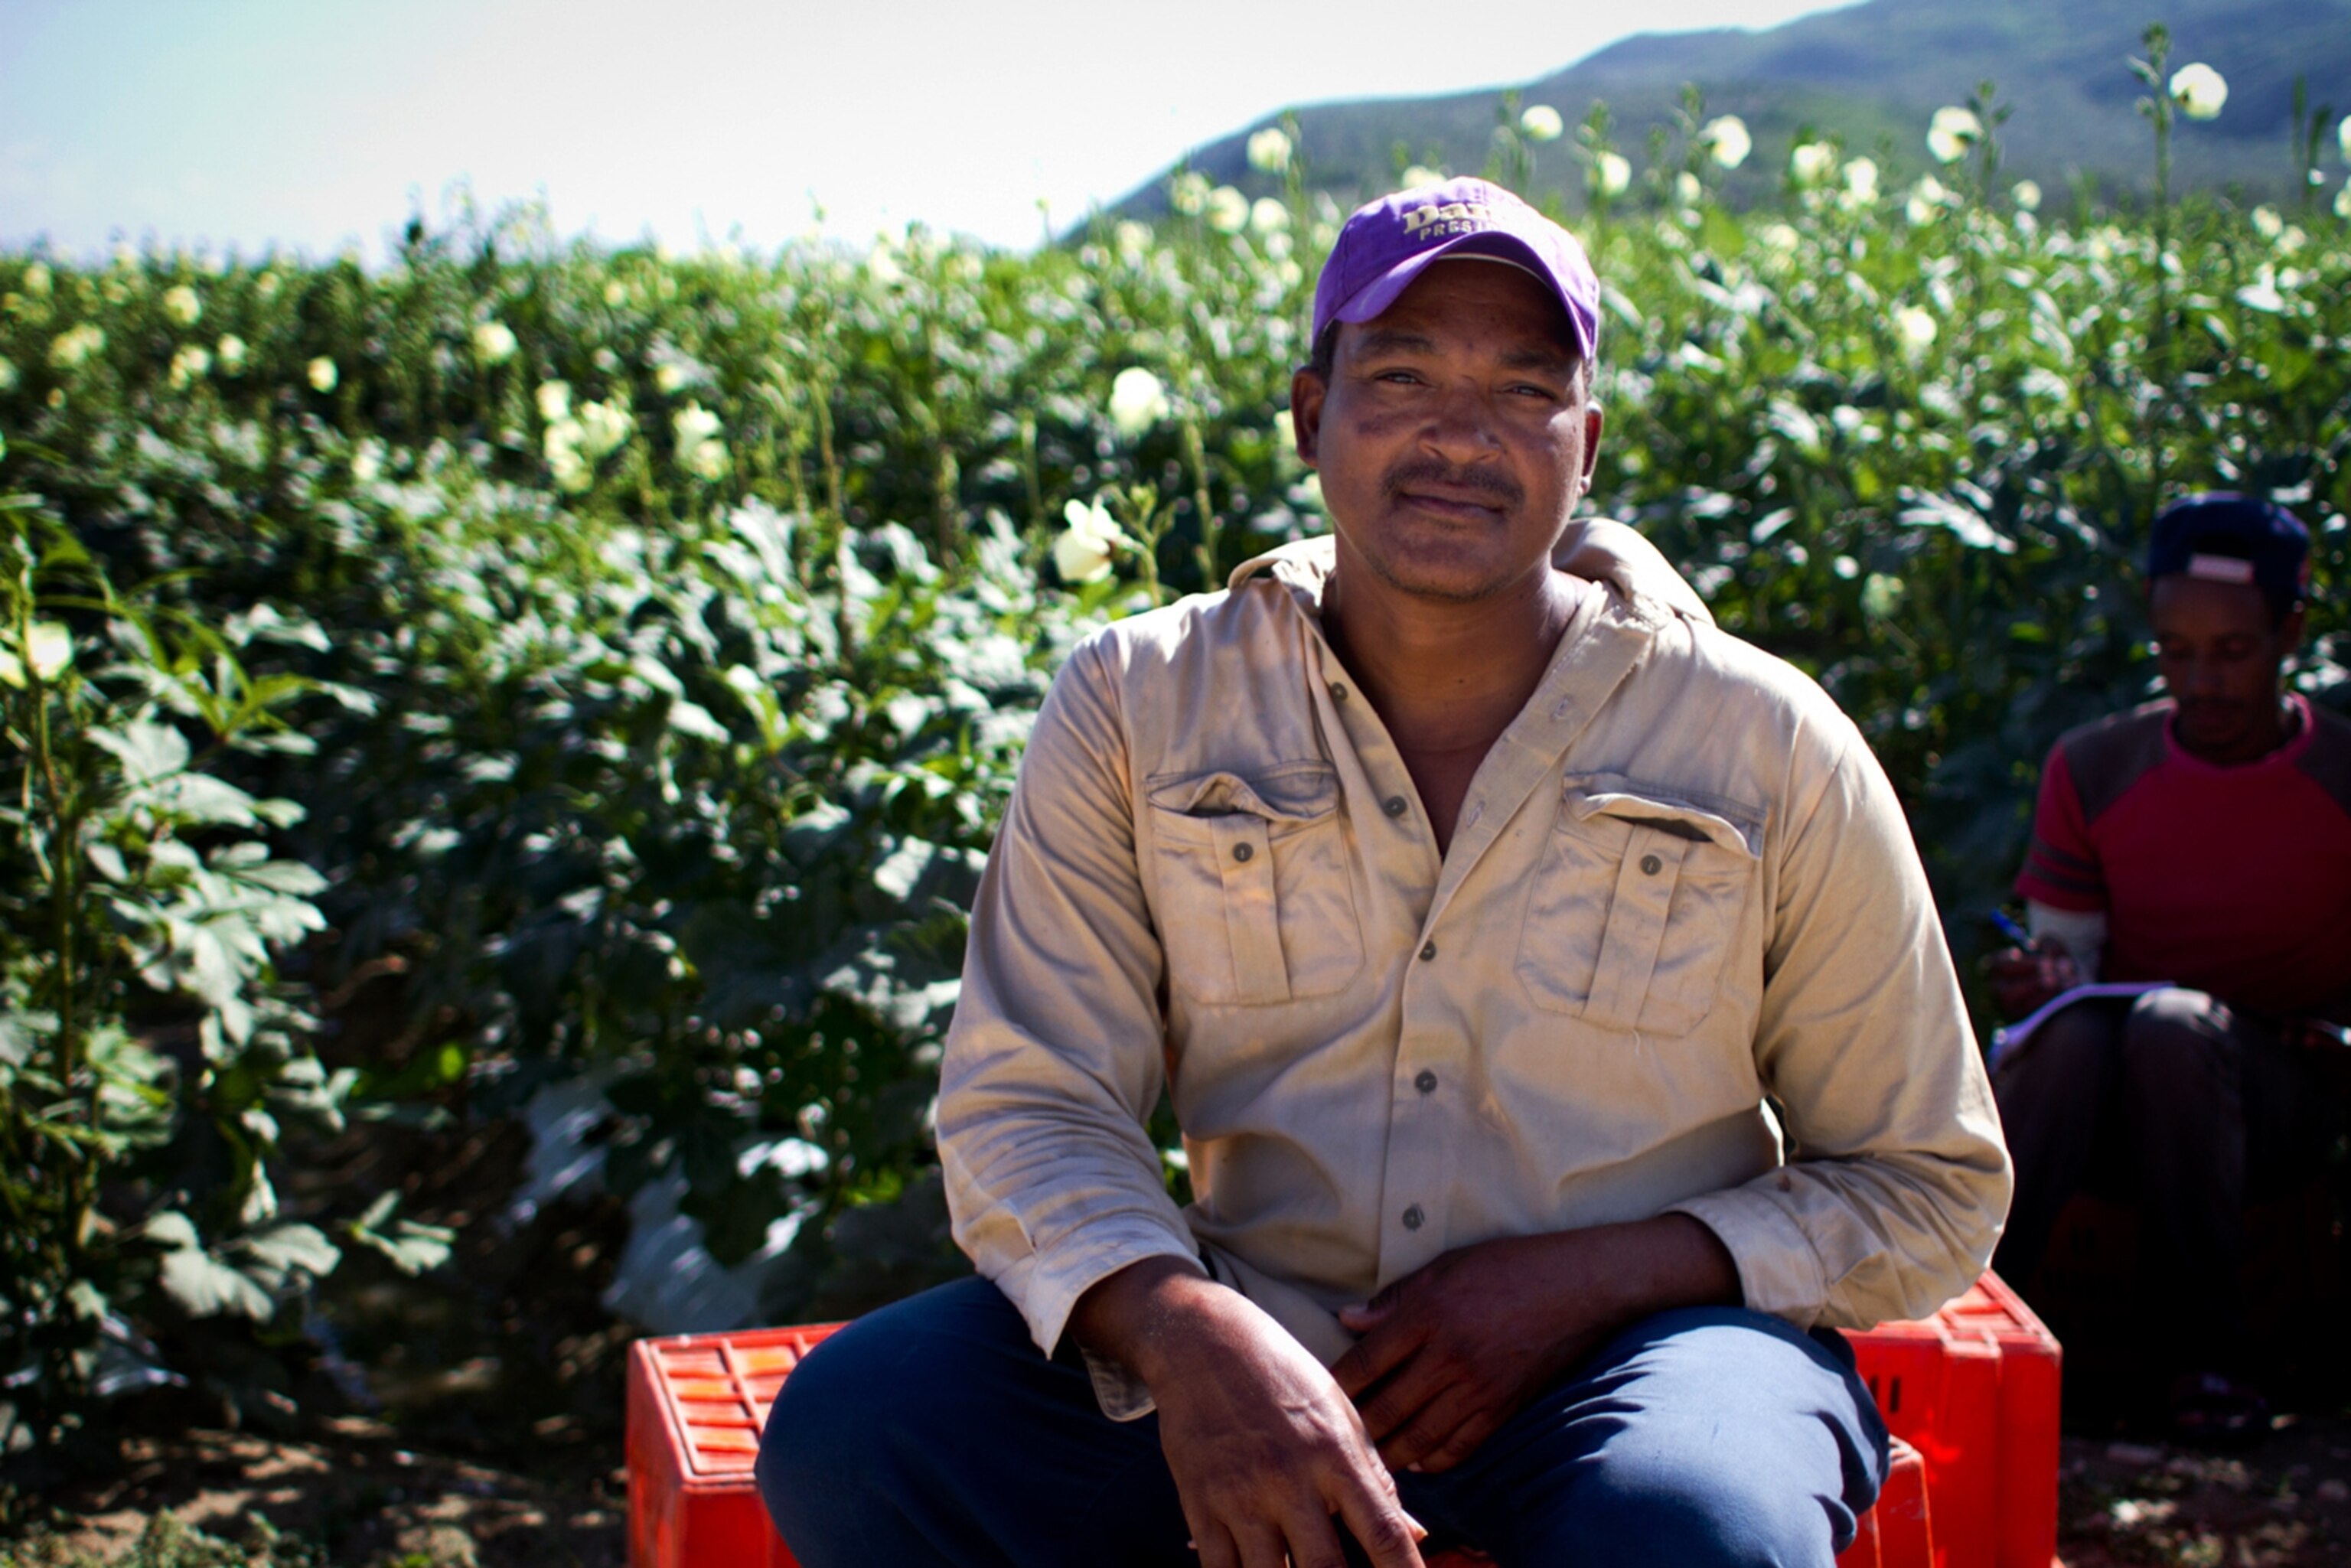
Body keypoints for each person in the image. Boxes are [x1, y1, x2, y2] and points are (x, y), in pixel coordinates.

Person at [757, 177, 2009, 1567]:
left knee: (1686, 1520)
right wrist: (1191, 1332)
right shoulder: (1138, 699)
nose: (1459, 436)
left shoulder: (1764, 739)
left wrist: (1594, 1275)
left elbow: (1921, 1179)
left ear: (1582, 445)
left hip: (1645, 1362)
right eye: (1400, 374)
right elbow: (1028, 1101)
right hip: (1258, 1325)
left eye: (1521, 390)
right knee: (861, 1428)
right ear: (1310, 415)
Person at [1988, 493, 2351, 1442]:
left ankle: (2213, 1362)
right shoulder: (2099, 766)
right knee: (2074, 1036)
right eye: (2175, 652)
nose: (2203, 681)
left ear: (2291, 633)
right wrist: (2046, 982)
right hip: (2119, 1090)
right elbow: (2070, 952)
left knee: (2173, 1028)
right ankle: (1972, 1315)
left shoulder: (2341, 780)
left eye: (2232, 653)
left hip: (2276, 1099)